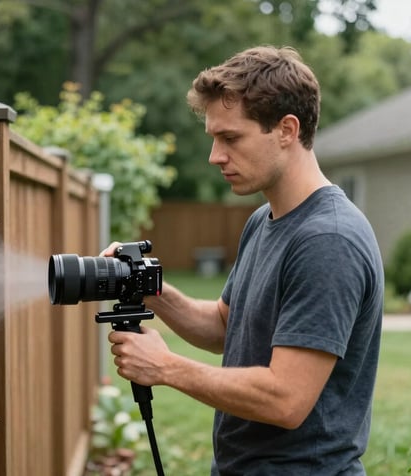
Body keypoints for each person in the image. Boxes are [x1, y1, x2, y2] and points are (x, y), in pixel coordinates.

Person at [103, 45, 384, 475]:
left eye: (230, 138)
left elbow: (285, 399)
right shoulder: (264, 220)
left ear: (287, 130)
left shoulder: (328, 239)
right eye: (214, 138)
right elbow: (224, 327)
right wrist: (146, 286)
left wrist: (165, 366)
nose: (215, 156)